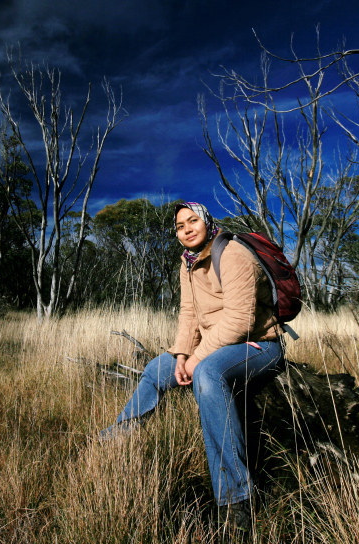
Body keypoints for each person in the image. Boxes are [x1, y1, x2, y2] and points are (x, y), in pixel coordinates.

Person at [101, 202, 285, 538]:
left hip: (258, 346)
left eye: (192, 220)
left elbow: (240, 320)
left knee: (207, 375)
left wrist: (197, 359)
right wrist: (183, 354)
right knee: (157, 368)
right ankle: (117, 435)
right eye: (179, 225)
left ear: (207, 221)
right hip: (211, 348)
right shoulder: (187, 265)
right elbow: (188, 316)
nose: (185, 228)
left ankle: (235, 501)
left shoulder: (231, 254)